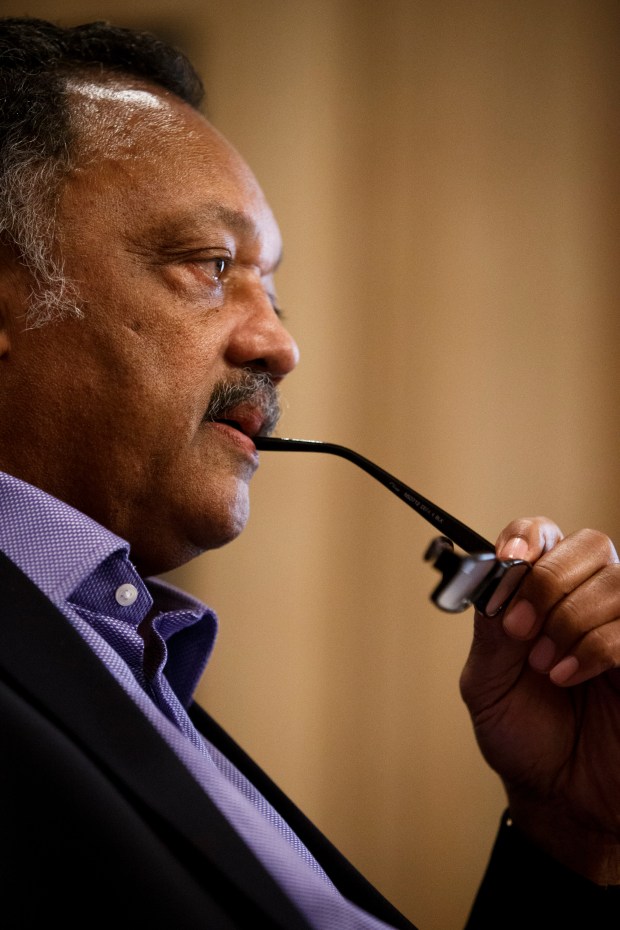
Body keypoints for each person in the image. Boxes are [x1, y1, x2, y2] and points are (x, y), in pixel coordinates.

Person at [0, 16, 618, 930]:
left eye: (274, 292)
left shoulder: (127, 657)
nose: (280, 345)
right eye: (212, 266)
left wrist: (565, 834)